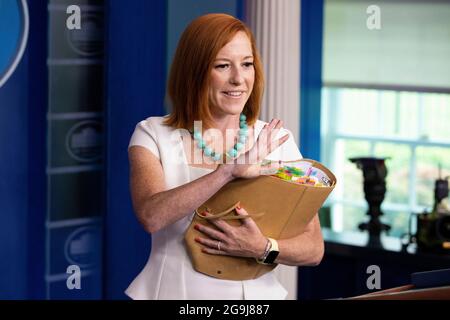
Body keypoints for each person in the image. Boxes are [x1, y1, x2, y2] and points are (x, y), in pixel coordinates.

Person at [125, 13, 324, 300]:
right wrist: (229, 171)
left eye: (246, 64)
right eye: (222, 66)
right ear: (194, 72)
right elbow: (151, 216)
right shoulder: (152, 134)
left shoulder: (277, 140)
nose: (238, 79)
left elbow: (314, 248)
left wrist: (262, 248)